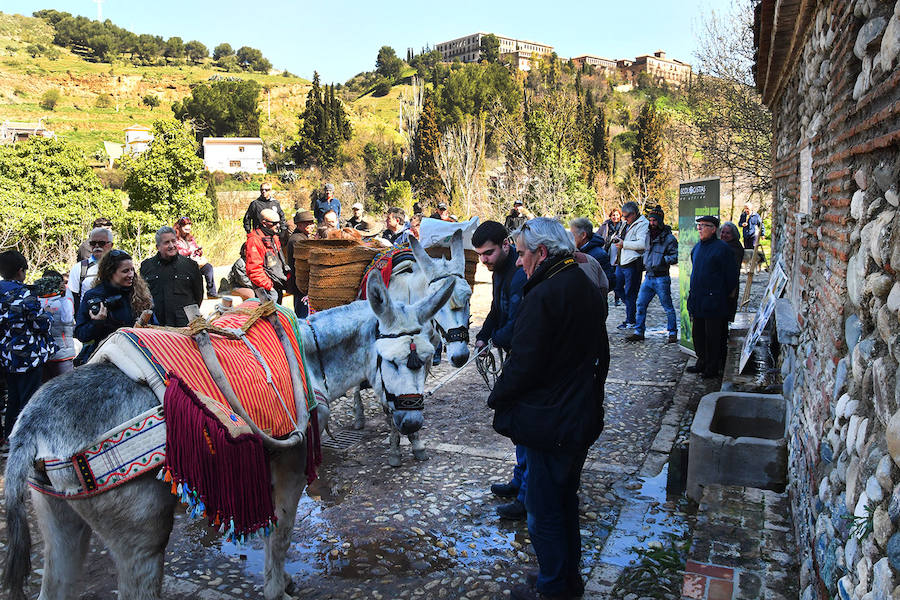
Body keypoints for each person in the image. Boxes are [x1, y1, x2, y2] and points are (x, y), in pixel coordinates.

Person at [487, 217, 608, 600]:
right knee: (564, 504)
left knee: (544, 514)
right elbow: (600, 355)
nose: (519, 262)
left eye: (522, 254)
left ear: (541, 253)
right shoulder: (582, 284)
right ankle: (568, 583)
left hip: (550, 422)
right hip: (577, 416)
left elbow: (523, 362)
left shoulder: (545, 294)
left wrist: (498, 397)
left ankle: (554, 588)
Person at [472, 221, 529, 521]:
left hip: (524, 357)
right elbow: (496, 310)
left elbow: (519, 321)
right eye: (480, 255)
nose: (484, 261)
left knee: (524, 424)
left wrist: (496, 339)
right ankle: (520, 481)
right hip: (509, 353)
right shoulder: (498, 274)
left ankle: (526, 496)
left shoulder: (521, 274)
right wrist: (483, 336)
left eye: (489, 253)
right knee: (519, 424)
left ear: (506, 244)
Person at [0, 250, 56, 446]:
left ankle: (9, 438)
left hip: (6, 357)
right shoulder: (25, 293)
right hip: (28, 356)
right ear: (20, 271)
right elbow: (39, 325)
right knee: (28, 400)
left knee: (12, 399)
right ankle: (24, 442)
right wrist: (48, 315)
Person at [75, 249, 153, 365]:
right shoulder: (93, 296)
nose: (131, 275)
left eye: (132, 270)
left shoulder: (141, 294)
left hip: (137, 354)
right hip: (105, 356)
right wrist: (97, 323)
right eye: (125, 271)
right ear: (110, 272)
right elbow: (81, 334)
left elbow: (154, 325)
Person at [687, 215, 739, 379]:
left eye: (704, 225)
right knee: (698, 335)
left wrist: (719, 295)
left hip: (714, 302)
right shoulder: (697, 248)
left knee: (713, 337)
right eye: (699, 225)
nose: (700, 228)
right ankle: (701, 362)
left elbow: (731, 277)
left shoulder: (723, 249)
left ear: (713, 228)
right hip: (698, 300)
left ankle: (712, 367)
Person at [626, 207, 679, 343]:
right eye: (650, 220)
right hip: (649, 276)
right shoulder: (648, 235)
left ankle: (672, 332)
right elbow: (646, 251)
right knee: (640, 304)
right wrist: (642, 260)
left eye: (654, 220)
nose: (652, 223)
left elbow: (675, 256)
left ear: (660, 221)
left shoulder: (669, 238)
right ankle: (639, 331)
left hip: (662, 277)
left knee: (667, 307)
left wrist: (663, 260)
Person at [140, 226, 204, 327]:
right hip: (157, 327)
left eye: (173, 241)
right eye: (166, 242)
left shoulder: (190, 266)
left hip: (185, 325)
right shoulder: (147, 267)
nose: (171, 245)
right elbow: (143, 296)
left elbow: (198, 295)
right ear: (158, 247)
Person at [33, 271, 76, 380]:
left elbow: (67, 320)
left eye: (53, 283)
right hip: (44, 354)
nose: (50, 286)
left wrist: (62, 296)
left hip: (62, 353)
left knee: (66, 387)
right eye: (47, 282)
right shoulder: (37, 298)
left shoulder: (66, 296)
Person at [613, 202, 649, 330]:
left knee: (630, 293)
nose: (624, 219)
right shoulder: (626, 223)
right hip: (621, 262)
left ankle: (631, 320)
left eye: (627, 216)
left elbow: (642, 244)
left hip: (633, 263)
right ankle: (630, 309)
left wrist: (624, 244)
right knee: (616, 287)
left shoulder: (643, 224)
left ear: (634, 214)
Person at [67, 226, 114, 314]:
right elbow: (73, 298)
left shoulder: (120, 266)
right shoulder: (79, 268)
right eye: (93, 243)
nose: (97, 246)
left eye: (101, 243)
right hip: (88, 320)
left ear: (111, 245)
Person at [246, 208, 290, 302]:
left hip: (276, 284)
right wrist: (269, 287)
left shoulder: (274, 237)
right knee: (268, 315)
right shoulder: (254, 241)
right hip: (265, 288)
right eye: (274, 223)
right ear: (264, 223)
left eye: (278, 222)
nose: (277, 226)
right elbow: (254, 270)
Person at [569, 217, 616, 296]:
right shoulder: (575, 251)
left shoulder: (599, 254)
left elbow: (610, 281)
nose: (570, 239)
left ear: (583, 235)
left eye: (572, 235)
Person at [174, 216, 218, 299]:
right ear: (180, 228)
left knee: (208, 268)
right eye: (185, 230)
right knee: (195, 274)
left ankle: (211, 293)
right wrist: (189, 251)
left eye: (189, 230)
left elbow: (196, 248)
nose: (187, 232)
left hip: (194, 261)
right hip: (182, 264)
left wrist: (199, 251)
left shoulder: (190, 238)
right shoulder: (174, 239)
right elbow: (176, 253)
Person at [286, 210, 316, 316]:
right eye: (307, 223)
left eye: (311, 223)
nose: (311, 226)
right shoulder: (297, 240)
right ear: (299, 225)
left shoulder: (302, 237)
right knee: (302, 313)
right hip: (300, 282)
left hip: (301, 282)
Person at [719, 221, 745, 323]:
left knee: (725, 314)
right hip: (721, 285)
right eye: (722, 232)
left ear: (733, 235)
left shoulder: (735, 248)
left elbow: (732, 269)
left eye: (727, 233)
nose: (724, 235)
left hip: (729, 286)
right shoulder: (722, 245)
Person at [600, 209, 624, 306]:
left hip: (618, 254)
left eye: (617, 215)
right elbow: (597, 236)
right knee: (605, 277)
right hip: (607, 253)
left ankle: (617, 298)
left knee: (617, 278)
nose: (615, 217)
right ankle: (603, 297)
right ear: (610, 216)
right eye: (613, 215)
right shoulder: (605, 226)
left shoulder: (624, 226)